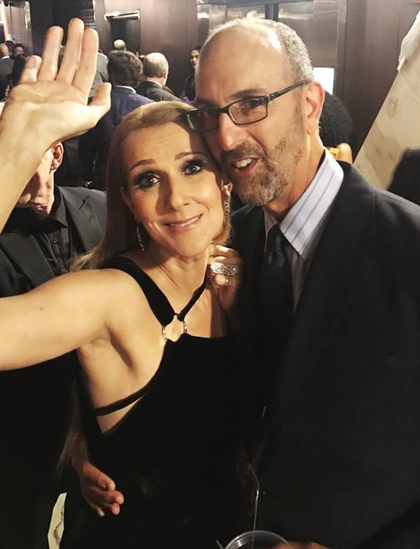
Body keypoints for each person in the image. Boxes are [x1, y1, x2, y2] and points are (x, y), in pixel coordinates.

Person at [85, 17, 420, 549]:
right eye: (209, 112)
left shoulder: (407, 249)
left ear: (310, 103)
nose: (225, 137)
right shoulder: (223, 243)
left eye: (250, 104)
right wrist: (87, 451)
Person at [0, 19, 248, 549]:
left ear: (224, 179)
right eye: (148, 179)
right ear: (129, 203)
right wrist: (19, 144)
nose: (176, 199)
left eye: (192, 167)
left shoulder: (238, 274)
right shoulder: (110, 296)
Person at [0, 142, 106, 549]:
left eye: (20, 152)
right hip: (22, 433)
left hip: (99, 427)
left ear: (56, 157)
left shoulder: (101, 207)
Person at [79, 49, 152, 190]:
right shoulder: (148, 106)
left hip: (103, 180)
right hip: (140, 181)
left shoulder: (94, 104)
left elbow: (85, 148)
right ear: (138, 76)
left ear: (109, 74)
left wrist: (87, 176)